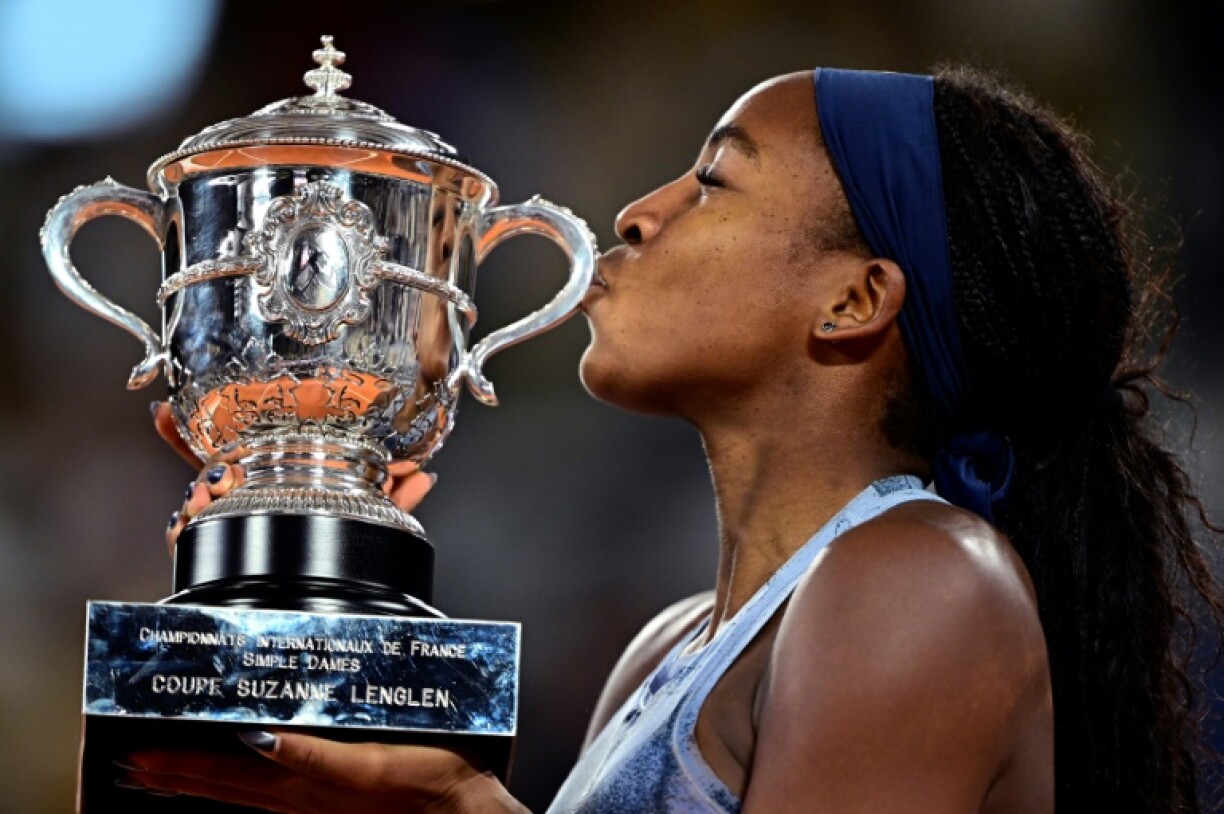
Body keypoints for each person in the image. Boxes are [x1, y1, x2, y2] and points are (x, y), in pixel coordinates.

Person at [128, 64, 1224, 813]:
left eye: (713, 181)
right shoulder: (669, 649)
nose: (639, 214)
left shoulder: (923, 583)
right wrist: (277, 564)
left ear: (853, 301)